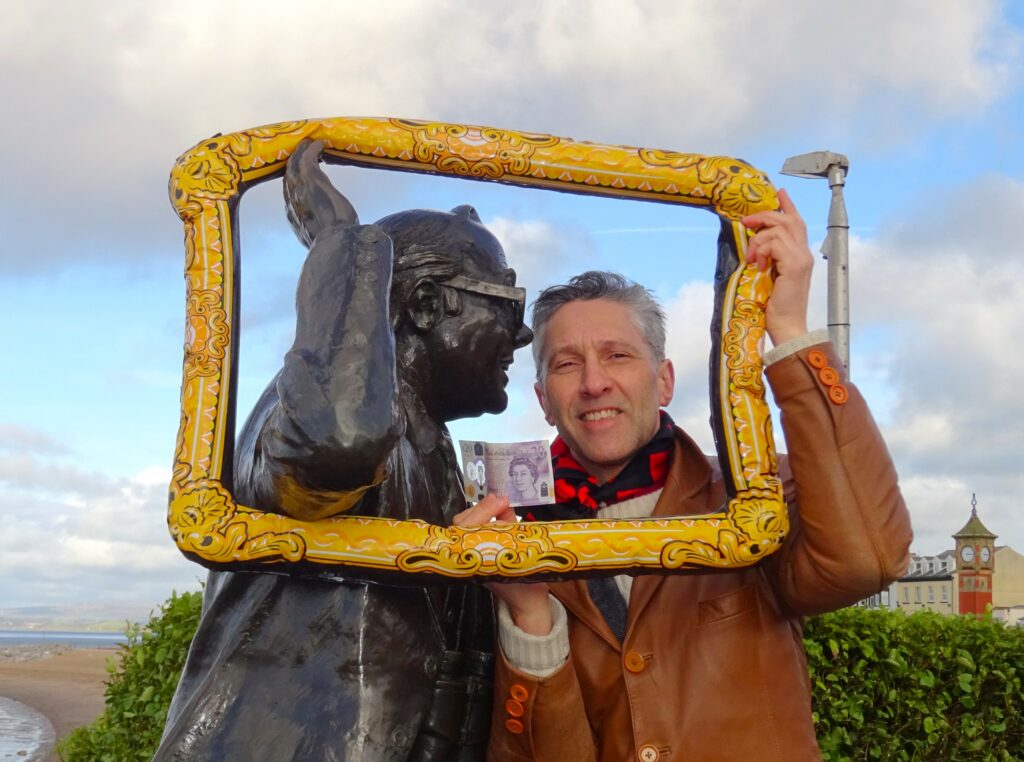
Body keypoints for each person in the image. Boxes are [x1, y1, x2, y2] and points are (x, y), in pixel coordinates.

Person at [455, 190, 912, 761]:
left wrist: (789, 328)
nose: (595, 382)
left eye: (618, 355)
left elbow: (869, 559)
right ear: (544, 400)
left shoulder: (751, 493)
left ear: (665, 381)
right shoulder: (519, 544)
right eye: (568, 364)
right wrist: (529, 614)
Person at [154, 140, 533, 761]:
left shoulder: (435, 452)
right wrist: (347, 248)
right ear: (426, 304)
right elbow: (339, 441)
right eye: (506, 302)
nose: (521, 332)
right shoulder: (317, 416)